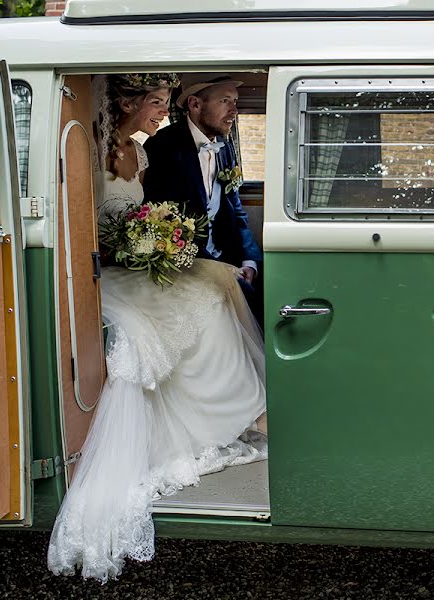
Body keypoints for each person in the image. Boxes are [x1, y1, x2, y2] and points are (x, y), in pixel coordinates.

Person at [47, 73, 268, 583]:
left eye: (166, 105)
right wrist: (140, 246)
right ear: (127, 104)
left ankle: (237, 413)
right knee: (168, 319)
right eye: (155, 104)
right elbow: (86, 224)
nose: (161, 114)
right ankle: (203, 423)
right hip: (112, 272)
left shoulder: (142, 154)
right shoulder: (95, 151)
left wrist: (161, 242)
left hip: (144, 258)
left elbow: (169, 212)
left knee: (216, 292)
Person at [142, 74, 263, 323]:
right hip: (184, 264)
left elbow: (236, 209)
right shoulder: (161, 148)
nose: (234, 111)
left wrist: (249, 259)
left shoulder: (225, 146)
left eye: (236, 101)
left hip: (223, 255)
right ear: (195, 104)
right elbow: (162, 222)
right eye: (225, 101)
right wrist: (216, 270)